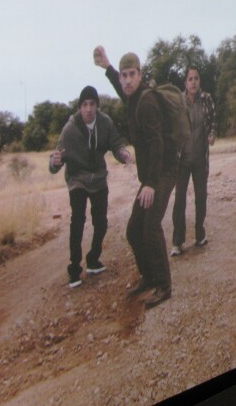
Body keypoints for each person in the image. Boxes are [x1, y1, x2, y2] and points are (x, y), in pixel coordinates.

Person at [93, 46, 175, 308]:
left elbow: (157, 145)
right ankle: (149, 277)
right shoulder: (133, 97)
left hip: (164, 172)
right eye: (123, 75)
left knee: (150, 227)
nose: (126, 80)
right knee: (133, 231)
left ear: (140, 75)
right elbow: (121, 90)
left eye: (131, 75)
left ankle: (164, 286)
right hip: (152, 174)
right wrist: (107, 67)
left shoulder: (147, 102)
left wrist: (150, 183)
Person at [49, 85, 132, 288]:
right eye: (84, 105)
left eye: (92, 104)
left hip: (99, 179)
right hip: (77, 178)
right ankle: (74, 270)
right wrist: (55, 161)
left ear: (97, 106)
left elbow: (116, 144)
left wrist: (124, 154)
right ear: (80, 107)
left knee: (101, 222)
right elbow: (54, 162)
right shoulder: (70, 129)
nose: (88, 109)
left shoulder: (105, 122)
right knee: (78, 221)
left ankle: (93, 259)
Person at [170, 67, 216, 256]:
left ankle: (200, 235)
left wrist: (212, 134)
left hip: (200, 158)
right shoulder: (178, 102)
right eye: (190, 79)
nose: (193, 82)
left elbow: (213, 121)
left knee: (201, 197)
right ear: (185, 83)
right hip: (182, 160)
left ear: (199, 81)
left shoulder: (207, 99)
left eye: (196, 78)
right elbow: (172, 126)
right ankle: (177, 242)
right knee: (179, 199)